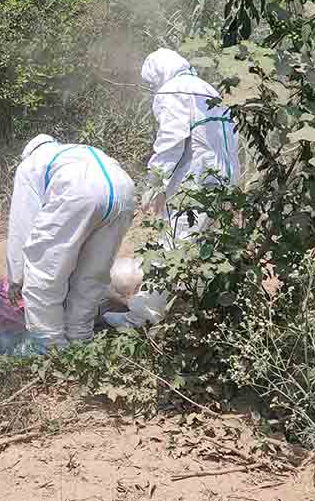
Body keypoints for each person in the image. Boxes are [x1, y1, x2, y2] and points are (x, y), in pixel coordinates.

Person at [102, 48, 240, 330]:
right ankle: (200, 311)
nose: (154, 88)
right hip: (226, 179)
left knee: (172, 248)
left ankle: (139, 319)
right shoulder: (207, 88)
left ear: (159, 74)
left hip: (197, 183)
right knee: (206, 247)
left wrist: (154, 184)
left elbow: (170, 140)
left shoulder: (173, 91)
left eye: (152, 82)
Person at [6, 134, 136, 349]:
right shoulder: (78, 151)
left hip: (78, 193)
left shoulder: (30, 164)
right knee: (92, 275)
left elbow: (23, 224)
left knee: (45, 276)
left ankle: (50, 348)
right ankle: (80, 339)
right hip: (125, 191)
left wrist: (16, 278)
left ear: (27, 153)